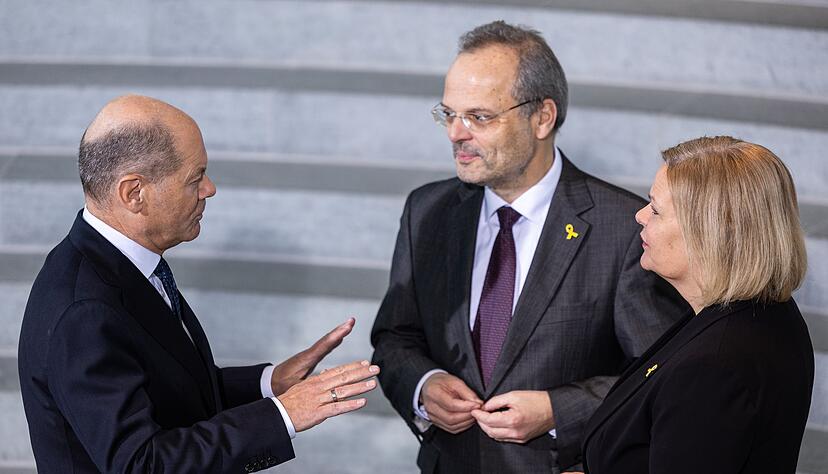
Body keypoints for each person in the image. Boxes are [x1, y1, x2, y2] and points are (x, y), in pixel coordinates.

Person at [370, 21, 686, 473]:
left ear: (542, 117)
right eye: (448, 114)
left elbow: (663, 375)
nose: (455, 134)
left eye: (479, 117)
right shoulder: (426, 211)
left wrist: (560, 410)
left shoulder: (625, 228)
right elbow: (394, 337)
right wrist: (424, 384)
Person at [18, 95, 380, 473]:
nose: (210, 189)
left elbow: (172, 394)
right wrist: (284, 414)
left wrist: (270, 383)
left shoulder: (119, 265)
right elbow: (143, 463)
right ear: (134, 193)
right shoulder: (86, 311)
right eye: (196, 177)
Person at [581, 136, 814, 474]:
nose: (640, 215)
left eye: (656, 210)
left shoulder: (714, 367)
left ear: (712, 232)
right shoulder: (762, 312)